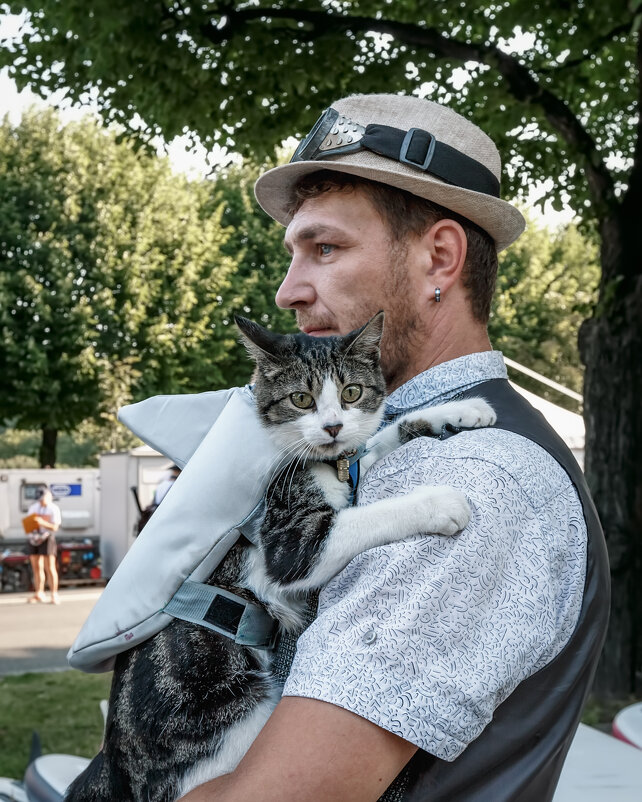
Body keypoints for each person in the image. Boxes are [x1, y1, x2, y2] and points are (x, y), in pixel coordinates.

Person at [179, 94, 609, 801]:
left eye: (326, 248)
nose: (288, 291)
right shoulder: (397, 449)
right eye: (293, 254)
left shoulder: (471, 474)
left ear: (440, 257)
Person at [26, 485, 61, 605]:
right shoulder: (34, 507)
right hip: (34, 537)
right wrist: (32, 525)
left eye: (42, 499)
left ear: (48, 496)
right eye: (39, 499)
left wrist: (42, 523)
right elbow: (28, 524)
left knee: (50, 567)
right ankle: (39, 592)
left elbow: (55, 527)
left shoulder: (53, 508)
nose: (41, 501)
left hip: (47, 537)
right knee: (36, 566)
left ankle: (54, 594)